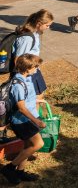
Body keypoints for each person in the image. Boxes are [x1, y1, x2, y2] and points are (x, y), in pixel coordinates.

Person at [1, 54, 46, 185]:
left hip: (28, 118)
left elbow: (27, 98)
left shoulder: (27, 78)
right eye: (35, 67)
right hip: (22, 121)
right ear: (27, 68)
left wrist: (38, 100)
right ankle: (9, 168)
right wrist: (36, 121)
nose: (37, 69)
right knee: (38, 144)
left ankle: (20, 172)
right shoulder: (18, 84)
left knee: (27, 146)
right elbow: (21, 108)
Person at [11, 10, 52, 97]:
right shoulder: (27, 38)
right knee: (35, 99)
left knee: (39, 96)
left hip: (33, 70)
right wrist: (25, 77)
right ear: (39, 23)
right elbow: (18, 59)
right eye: (47, 25)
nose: (48, 28)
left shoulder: (36, 33)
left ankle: (35, 110)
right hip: (27, 73)